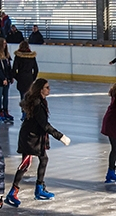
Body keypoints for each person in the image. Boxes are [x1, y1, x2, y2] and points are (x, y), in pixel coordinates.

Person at [4, 78, 70, 207]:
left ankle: (39, 188)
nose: (49, 89)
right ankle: (13, 192)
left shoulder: (40, 101)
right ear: (41, 90)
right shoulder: (38, 103)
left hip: (35, 137)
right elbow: (44, 125)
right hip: (30, 138)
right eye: (47, 87)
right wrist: (60, 136)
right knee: (25, 164)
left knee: (43, 159)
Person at [12, 41, 39, 120]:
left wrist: (17, 77)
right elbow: (36, 69)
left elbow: (14, 70)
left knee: (23, 97)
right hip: (29, 78)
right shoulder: (32, 56)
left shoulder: (18, 56)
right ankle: (30, 113)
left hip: (21, 78)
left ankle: (24, 113)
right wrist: (32, 78)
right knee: (30, 97)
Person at [0, 39, 15, 123]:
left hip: (6, 79)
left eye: (5, 43)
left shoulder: (6, 55)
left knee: (6, 96)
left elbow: (9, 68)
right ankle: (0, 112)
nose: (5, 45)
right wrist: (3, 78)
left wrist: (11, 77)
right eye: (3, 43)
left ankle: (6, 111)